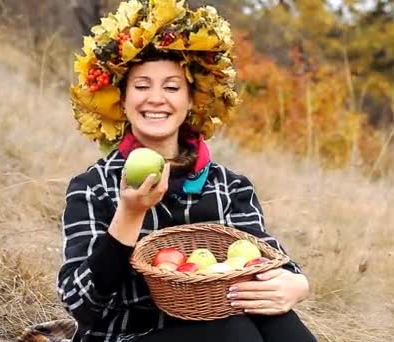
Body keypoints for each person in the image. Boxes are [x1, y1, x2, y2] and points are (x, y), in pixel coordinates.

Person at [58, 1, 317, 341]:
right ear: (121, 100)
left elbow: (264, 256)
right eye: (141, 86)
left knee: (280, 322)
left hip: (220, 327)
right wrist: (130, 214)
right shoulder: (94, 186)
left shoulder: (229, 187)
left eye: (171, 87)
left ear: (192, 99)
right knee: (234, 333)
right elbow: (81, 304)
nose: (155, 99)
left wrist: (297, 283)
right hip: (128, 336)